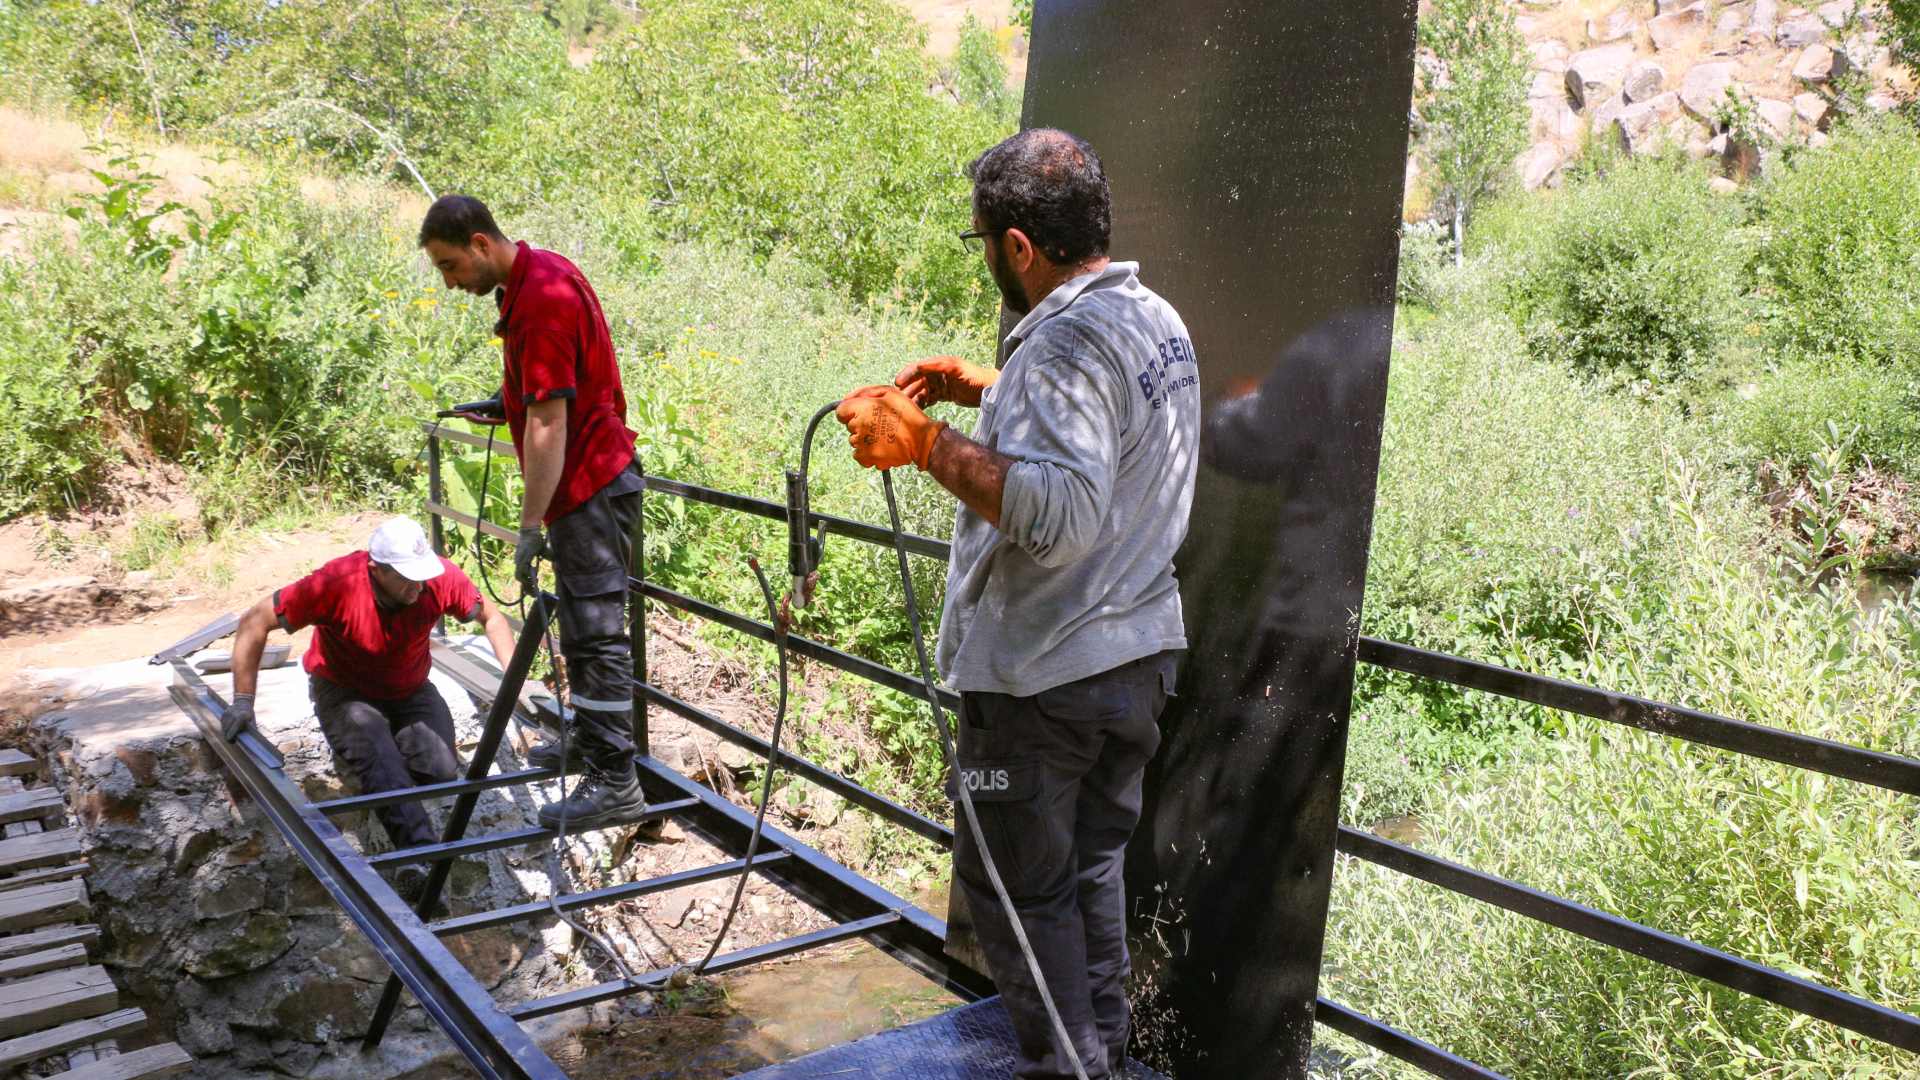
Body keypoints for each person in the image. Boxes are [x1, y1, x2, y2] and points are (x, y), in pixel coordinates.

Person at [834, 129, 1200, 1079]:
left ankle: (1068, 1070)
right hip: (1133, 669)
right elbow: (1104, 438)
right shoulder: (1153, 320)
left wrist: (927, 444)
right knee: (1088, 874)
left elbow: (1066, 514)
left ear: (1019, 248)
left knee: (1019, 902)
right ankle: (1105, 1061)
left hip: (1046, 689)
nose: (988, 254)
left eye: (984, 239)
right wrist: (993, 395)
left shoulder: (1063, 347)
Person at [417, 194, 648, 829]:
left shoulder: (539, 303)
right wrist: (506, 402)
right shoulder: (542, 270)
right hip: (591, 483)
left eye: (450, 266)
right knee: (580, 629)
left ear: (480, 244)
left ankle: (615, 783)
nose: (450, 281)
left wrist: (527, 526)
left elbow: (550, 424)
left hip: (590, 486)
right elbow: (551, 387)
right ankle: (593, 743)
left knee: (598, 634)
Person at [217, 518, 517, 898]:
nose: (417, 586)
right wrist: (243, 701)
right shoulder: (336, 584)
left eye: (421, 576)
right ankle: (420, 862)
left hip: (410, 687)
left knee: (441, 770)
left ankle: (395, 792)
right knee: (380, 759)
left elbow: (492, 617)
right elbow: (254, 621)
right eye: (407, 578)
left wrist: (514, 681)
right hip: (346, 690)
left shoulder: (439, 578)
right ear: (377, 570)